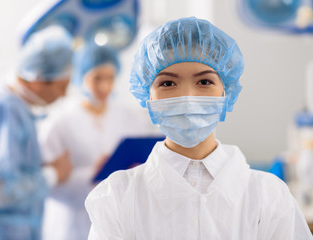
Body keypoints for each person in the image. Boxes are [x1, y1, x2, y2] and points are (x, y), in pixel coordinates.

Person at [84, 17, 313, 239]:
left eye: (204, 82)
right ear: (147, 96)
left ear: (226, 93)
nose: (187, 97)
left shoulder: (269, 197)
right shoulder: (117, 198)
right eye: (167, 83)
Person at [0, 25, 74, 240]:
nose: (65, 95)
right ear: (38, 80)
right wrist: (53, 174)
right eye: (61, 86)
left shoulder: (16, 110)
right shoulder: (4, 111)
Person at [39, 44, 150, 240]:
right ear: (81, 76)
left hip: (119, 221)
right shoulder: (59, 122)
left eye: (110, 78)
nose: (104, 87)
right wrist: (93, 175)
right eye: (97, 78)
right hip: (72, 224)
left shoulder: (131, 118)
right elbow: (45, 185)